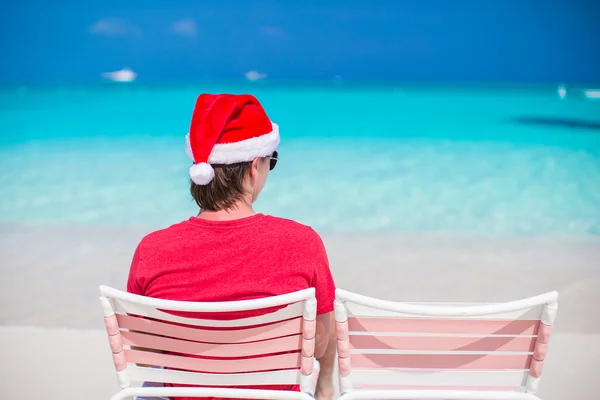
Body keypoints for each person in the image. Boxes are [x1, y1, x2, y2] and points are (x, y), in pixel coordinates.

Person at [127, 93, 337, 400]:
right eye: (271, 160)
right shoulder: (302, 243)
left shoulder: (152, 250)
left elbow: (144, 354)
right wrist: (325, 384)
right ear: (254, 167)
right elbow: (319, 342)